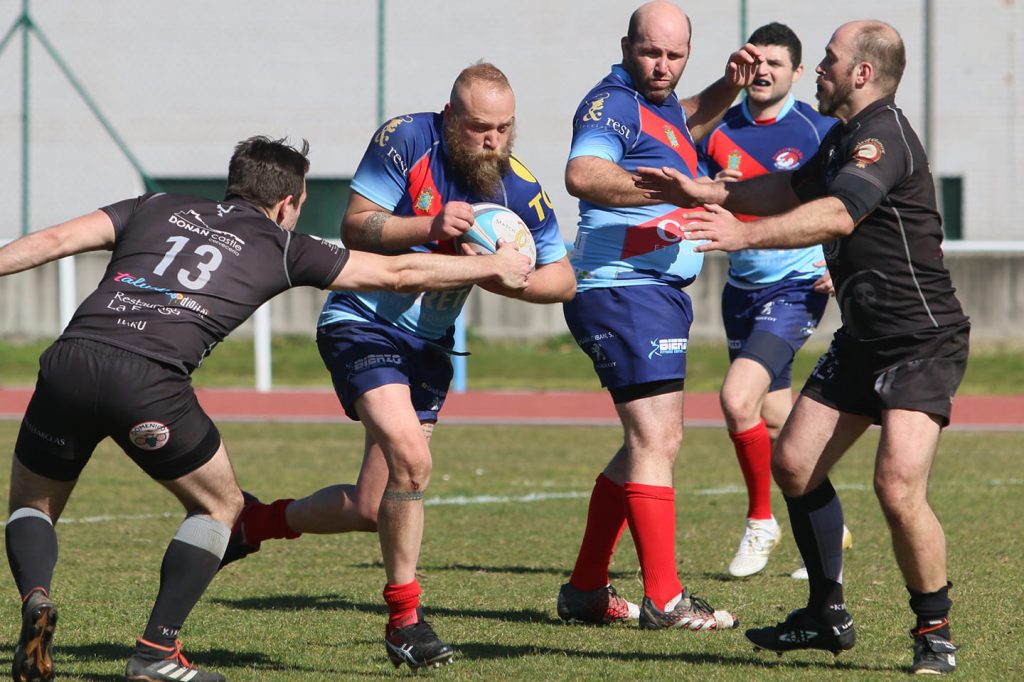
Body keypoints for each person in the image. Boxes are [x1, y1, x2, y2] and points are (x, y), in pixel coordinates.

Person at [0, 136, 532, 682]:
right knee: (222, 508)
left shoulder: (154, 205)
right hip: (148, 382)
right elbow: (398, 274)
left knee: (33, 505)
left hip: (69, 361)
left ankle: (37, 597)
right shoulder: (283, 244)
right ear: (288, 204)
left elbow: (57, 238)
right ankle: (155, 653)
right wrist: (489, 267)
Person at [636, 20, 968, 675]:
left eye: (828, 60)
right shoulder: (843, 137)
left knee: (897, 487)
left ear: (862, 74)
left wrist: (745, 237)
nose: (820, 68)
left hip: (921, 341)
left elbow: (840, 213)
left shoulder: (883, 138)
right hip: (865, 339)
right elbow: (785, 191)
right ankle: (826, 614)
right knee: (793, 463)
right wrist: (703, 192)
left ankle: (934, 632)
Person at [217, 64, 575, 670]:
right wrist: (428, 228)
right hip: (363, 323)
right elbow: (354, 224)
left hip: (429, 348)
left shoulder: (518, 186)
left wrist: (503, 277)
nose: (493, 139)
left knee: (369, 505)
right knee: (412, 456)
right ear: (449, 116)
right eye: (479, 127)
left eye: (504, 127)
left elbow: (563, 280)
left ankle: (253, 523)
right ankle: (405, 621)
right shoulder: (408, 139)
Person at [555, 1, 762, 632]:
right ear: (626, 45)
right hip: (623, 288)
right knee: (656, 442)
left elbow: (682, 121)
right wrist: (668, 190)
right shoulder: (612, 102)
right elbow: (583, 172)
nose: (661, 66)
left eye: (674, 55)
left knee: (649, 443)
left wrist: (728, 87)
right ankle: (666, 599)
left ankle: (586, 589)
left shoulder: (663, 101)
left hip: (653, 289)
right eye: (650, 52)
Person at [695, 21, 841, 579]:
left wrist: (837, 257)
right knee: (773, 414)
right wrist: (715, 187)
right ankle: (828, 517)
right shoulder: (718, 129)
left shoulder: (818, 128)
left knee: (737, 400)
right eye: (756, 62)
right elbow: (698, 200)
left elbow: (851, 198)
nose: (763, 72)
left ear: (797, 73)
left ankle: (762, 521)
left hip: (797, 284)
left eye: (776, 64)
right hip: (740, 288)